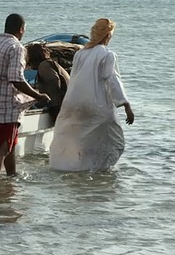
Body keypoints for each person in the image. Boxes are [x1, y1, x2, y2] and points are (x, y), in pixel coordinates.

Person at [49, 18, 134, 172]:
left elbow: (74, 77)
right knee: (115, 141)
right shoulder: (108, 55)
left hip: (75, 104)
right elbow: (112, 79)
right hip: (97, 105)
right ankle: (94, 174)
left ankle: (75, 169)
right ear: (108, 35)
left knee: (80, 140)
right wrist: (126, 105)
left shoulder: (80, 54)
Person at [0, 14, 50, 180]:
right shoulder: (16, 47)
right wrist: (38, 95)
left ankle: (12, 177)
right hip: (6, 107)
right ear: (21, 29)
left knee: (9, 145)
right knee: (1, 149)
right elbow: (16, 79)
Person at [26, 43, 70, 122]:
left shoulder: (44, 65)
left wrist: (52, 102)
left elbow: (54, 81)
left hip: (57, 105)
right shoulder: (48, 64)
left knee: (28, 106)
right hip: (63, 102)